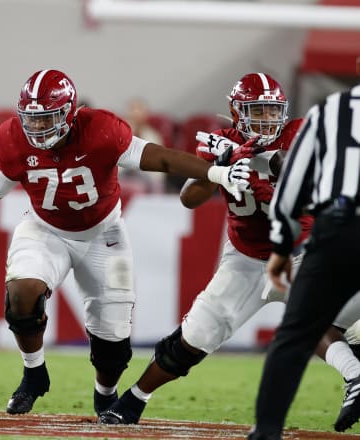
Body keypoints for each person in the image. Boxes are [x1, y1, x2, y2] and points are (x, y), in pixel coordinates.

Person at [0, 68, 251, 417]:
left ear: (68, 113)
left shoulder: (101, 129)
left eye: (46, 118)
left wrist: (216, 172)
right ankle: (33, 375)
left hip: (104, 235)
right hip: (44, 229)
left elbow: (161, 157)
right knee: (22, 293)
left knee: (114, 351)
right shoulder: (13, 138)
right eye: (31, 119)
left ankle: (105, 392)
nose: (36, 128)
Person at [98, 72, 360, 426]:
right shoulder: (224, 143)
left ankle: (355, 375)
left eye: (272, 111)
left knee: (310, 314)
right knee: (194, 337)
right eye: (258, 111)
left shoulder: (299, 131)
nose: (267, 119)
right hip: (246, 257)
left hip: (302, 249)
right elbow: (190, 198)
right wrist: (219, 167)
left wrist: (256, 158)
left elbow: (296, 166)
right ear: (237, 113)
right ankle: (134, 399)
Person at [248, 79, 360, 439]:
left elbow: (291, 188)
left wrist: (281, 247)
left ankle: (266, 431)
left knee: (298, 332)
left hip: (342, 230)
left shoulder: (331, 111)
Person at [121, 97, 167, 193]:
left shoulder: (153, 136)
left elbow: (158, 166)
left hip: (146, 177)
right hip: (124, 176)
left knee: (141, 187)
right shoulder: (120, 135)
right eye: (132, 111)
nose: (136, 116)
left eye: (139, 113)